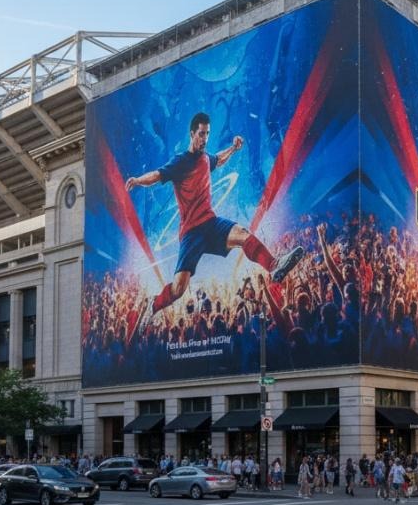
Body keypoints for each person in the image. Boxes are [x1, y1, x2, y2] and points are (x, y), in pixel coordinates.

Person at [125, 113, 304, 337]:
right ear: (192, 134)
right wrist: (137, 180)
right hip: (191, 234)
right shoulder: (181, 162)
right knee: (178, 289)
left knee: (242, 234)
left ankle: (274, 265)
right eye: (201, 134)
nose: (205, 138)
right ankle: (153, 306)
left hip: (211, 223)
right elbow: (157, 174)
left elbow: (217, 160)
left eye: (207, 134)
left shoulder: (205, 159)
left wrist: (233, 149)